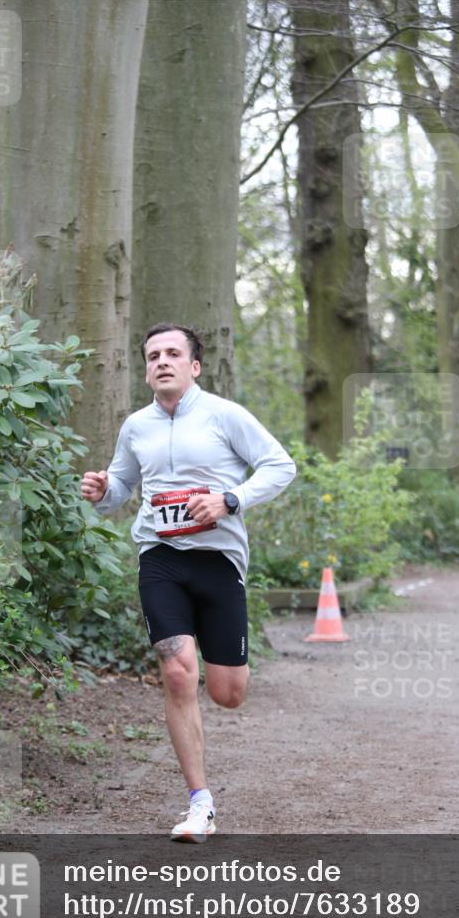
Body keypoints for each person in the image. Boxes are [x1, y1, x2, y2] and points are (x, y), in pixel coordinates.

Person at [81, 323, 296, 842]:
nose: (162, 361)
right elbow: (123, 487)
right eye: (153, 355)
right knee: (178, 673)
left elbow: (280, 466)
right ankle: (200, 803)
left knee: (227, 693)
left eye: (173, 353)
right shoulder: (136, 426)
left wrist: (230, 499)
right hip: (161, 557)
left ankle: (223, 677)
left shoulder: (225, 416)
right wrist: (104, 488)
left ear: (194, 366)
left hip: (219, 560)